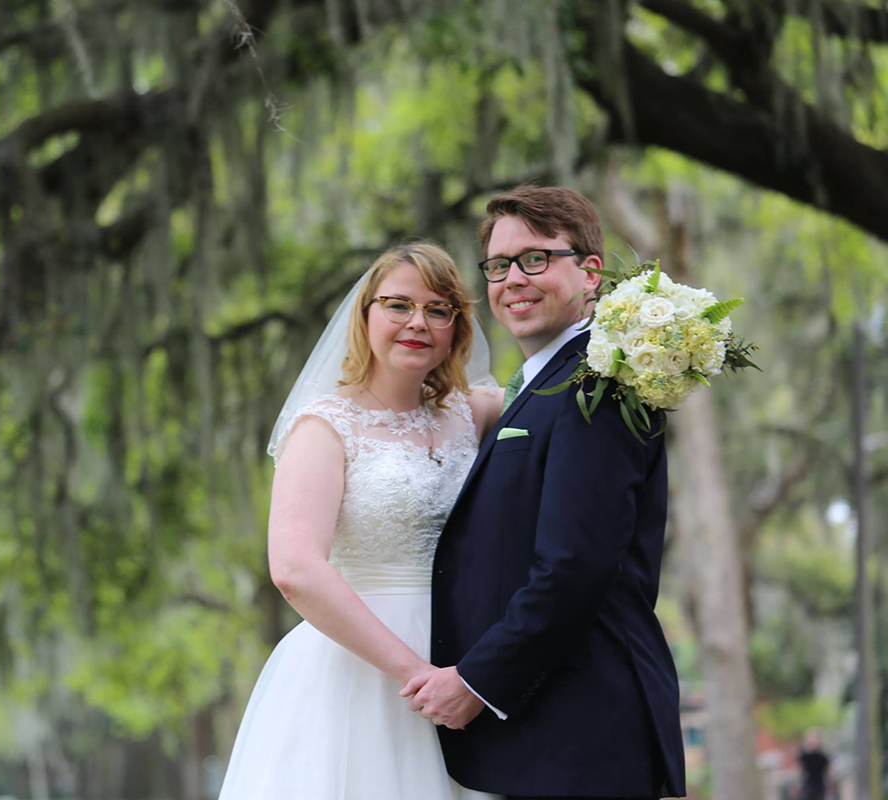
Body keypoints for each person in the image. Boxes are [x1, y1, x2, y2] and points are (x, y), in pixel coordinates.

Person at [406, 186, 688, 799]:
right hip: (541, 733)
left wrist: (476, 681)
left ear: (590, 273)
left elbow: (574, 565)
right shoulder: (544, 383)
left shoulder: (600, 383)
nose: (513, 279)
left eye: (536, 258)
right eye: (500, 265)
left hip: (580, 729)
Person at [217, 242, 505, 799]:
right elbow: (295, 568)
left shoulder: (473, 412)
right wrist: (415, 674)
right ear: (366, 314)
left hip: (465, 654)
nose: (417, 323)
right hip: (363, 665)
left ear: (456, 326)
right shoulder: (324, 426)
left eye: (438, 309)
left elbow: (555, 391)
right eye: (398, 305)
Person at [797, 730, 830, 800]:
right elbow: (800, 768)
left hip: (819, 784)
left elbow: (827, 770)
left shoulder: (822, 756)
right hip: (808, 784)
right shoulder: (805, 756)